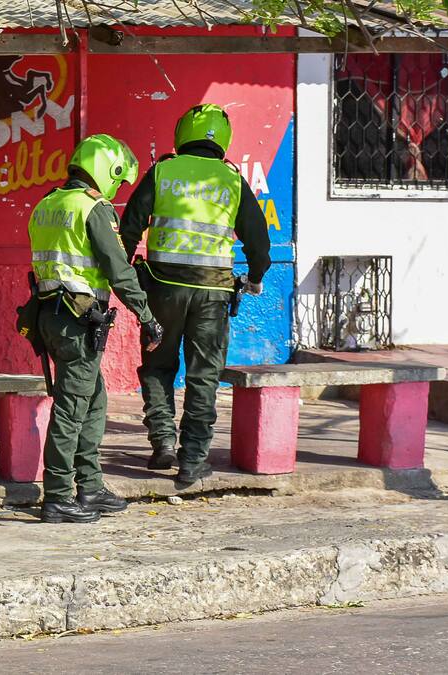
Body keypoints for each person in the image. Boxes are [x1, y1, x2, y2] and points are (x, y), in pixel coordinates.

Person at [120, 104, 271, 487]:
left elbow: (130, 226)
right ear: (223, 138)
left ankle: (162, 444)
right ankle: (193, 459)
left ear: (182, 133)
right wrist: (254, 278)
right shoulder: (231, 179)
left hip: (162, 290)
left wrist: (123, 274)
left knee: (158, 366)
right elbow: (259, 243)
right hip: (213, 295)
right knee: (203, 376)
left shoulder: (163, 171)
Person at [27, 134, 165, 524]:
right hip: (78, 320)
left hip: (50, 316)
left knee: (94, 400)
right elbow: (118, 270)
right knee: (72, 409)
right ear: (106, 170)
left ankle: (90, 486)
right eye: (117, 179)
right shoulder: (94, 208)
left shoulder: (47, 203)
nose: (115, 188)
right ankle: (58, 496)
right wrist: (147, 316)